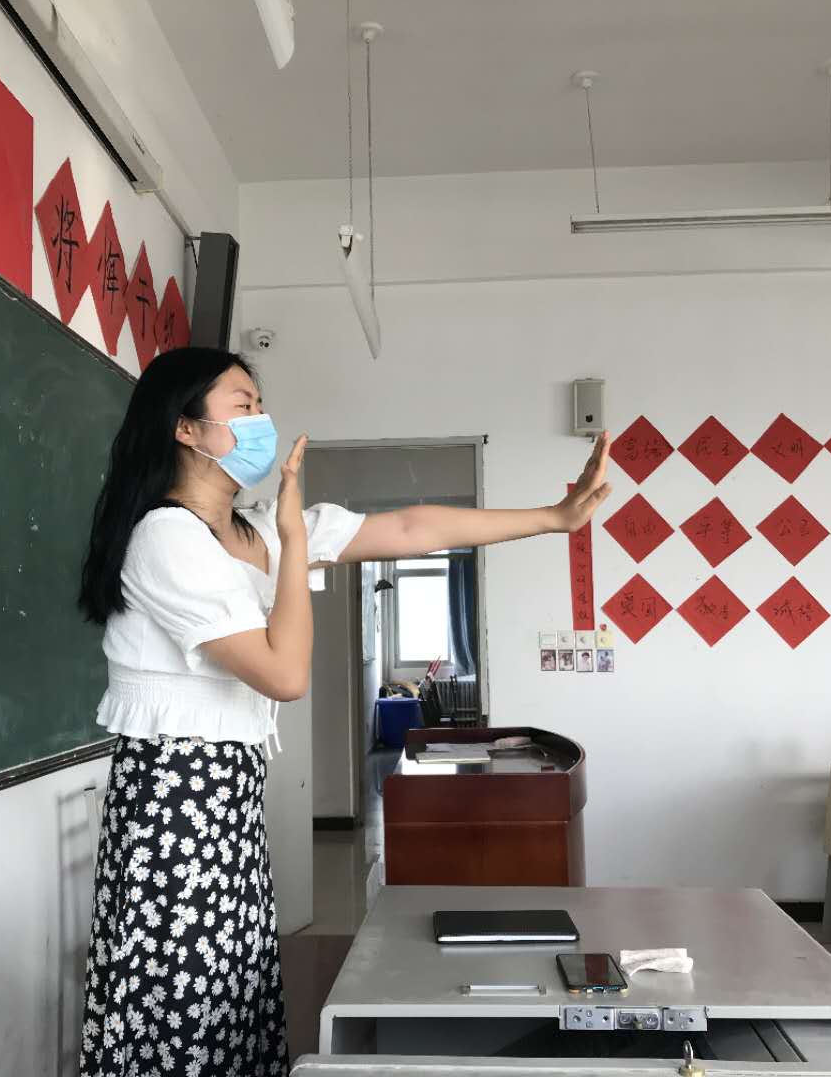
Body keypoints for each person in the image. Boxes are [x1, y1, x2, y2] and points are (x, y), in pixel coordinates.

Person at [75, 347, 610, 1077]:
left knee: (231, 996)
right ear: (185, 428)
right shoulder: (167, 537)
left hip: (225, 797)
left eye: (261, 404)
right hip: (172, 801)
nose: (261, 420)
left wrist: (552, 518)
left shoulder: (255, 530)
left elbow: (412, 530)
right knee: (176, 1004)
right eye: (241, 405)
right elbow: (285, 673)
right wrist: (297, 544)